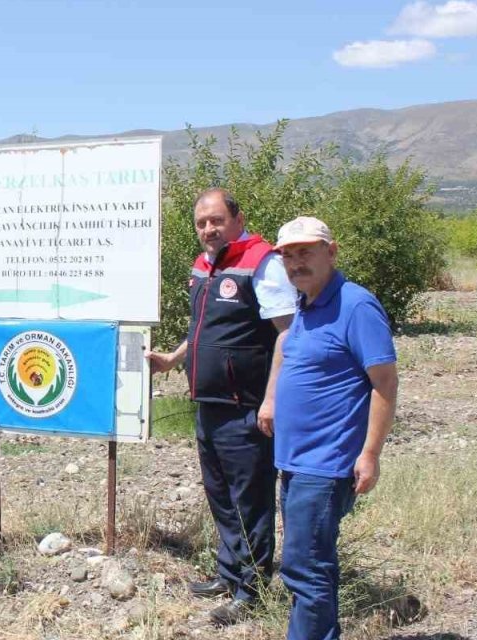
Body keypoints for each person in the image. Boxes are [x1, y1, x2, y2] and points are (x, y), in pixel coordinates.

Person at [147, 188, 297, 625]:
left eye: (216, 220)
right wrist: (174, 358)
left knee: (250, 498)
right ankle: (228, 573)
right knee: (220, 495)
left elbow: (287, 335)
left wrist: (272, 399)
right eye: (201, 223)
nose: (208, 229)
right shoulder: (205, 265)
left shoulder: (263, 263)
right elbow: (203, 327)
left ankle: (250, 590)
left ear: (238, 218)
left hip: (246, 406)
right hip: (209, 402)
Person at [261, 216, 398, 640]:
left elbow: (385, 383)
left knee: (305, 570)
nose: (296, 262)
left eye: (306, 252)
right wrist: (271, 401)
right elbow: (289, 351)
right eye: (288, 255)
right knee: (310, 565)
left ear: (331, 252)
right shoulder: (306, 303)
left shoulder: (356, 306)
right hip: (297, 460)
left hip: (326, 463)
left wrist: (370, 454)